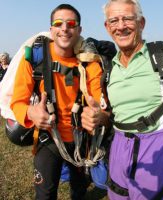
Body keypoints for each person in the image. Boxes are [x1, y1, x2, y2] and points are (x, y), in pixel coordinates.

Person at [81, 0, 163, 199]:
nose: (121, 26)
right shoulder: (110, 68)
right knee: (117, 194)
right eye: (114, 21)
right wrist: (99, 117)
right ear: (107, 27)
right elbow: (112, 114)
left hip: (158, 142)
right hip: (119, 144)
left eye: (128, 18)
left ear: (141, 23)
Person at [10, 4, 104, 200]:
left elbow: (97, 102)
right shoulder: (34, 59)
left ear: (79, 30)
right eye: (58, 23)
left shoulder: (90, 64)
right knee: (45, 194)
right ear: (51, 29)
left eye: (71, 24)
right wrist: (30, 113)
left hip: (80, 139)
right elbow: (17, 101)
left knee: (79, 190)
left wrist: (97, 114)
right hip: (48, 138)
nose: (64, 28)